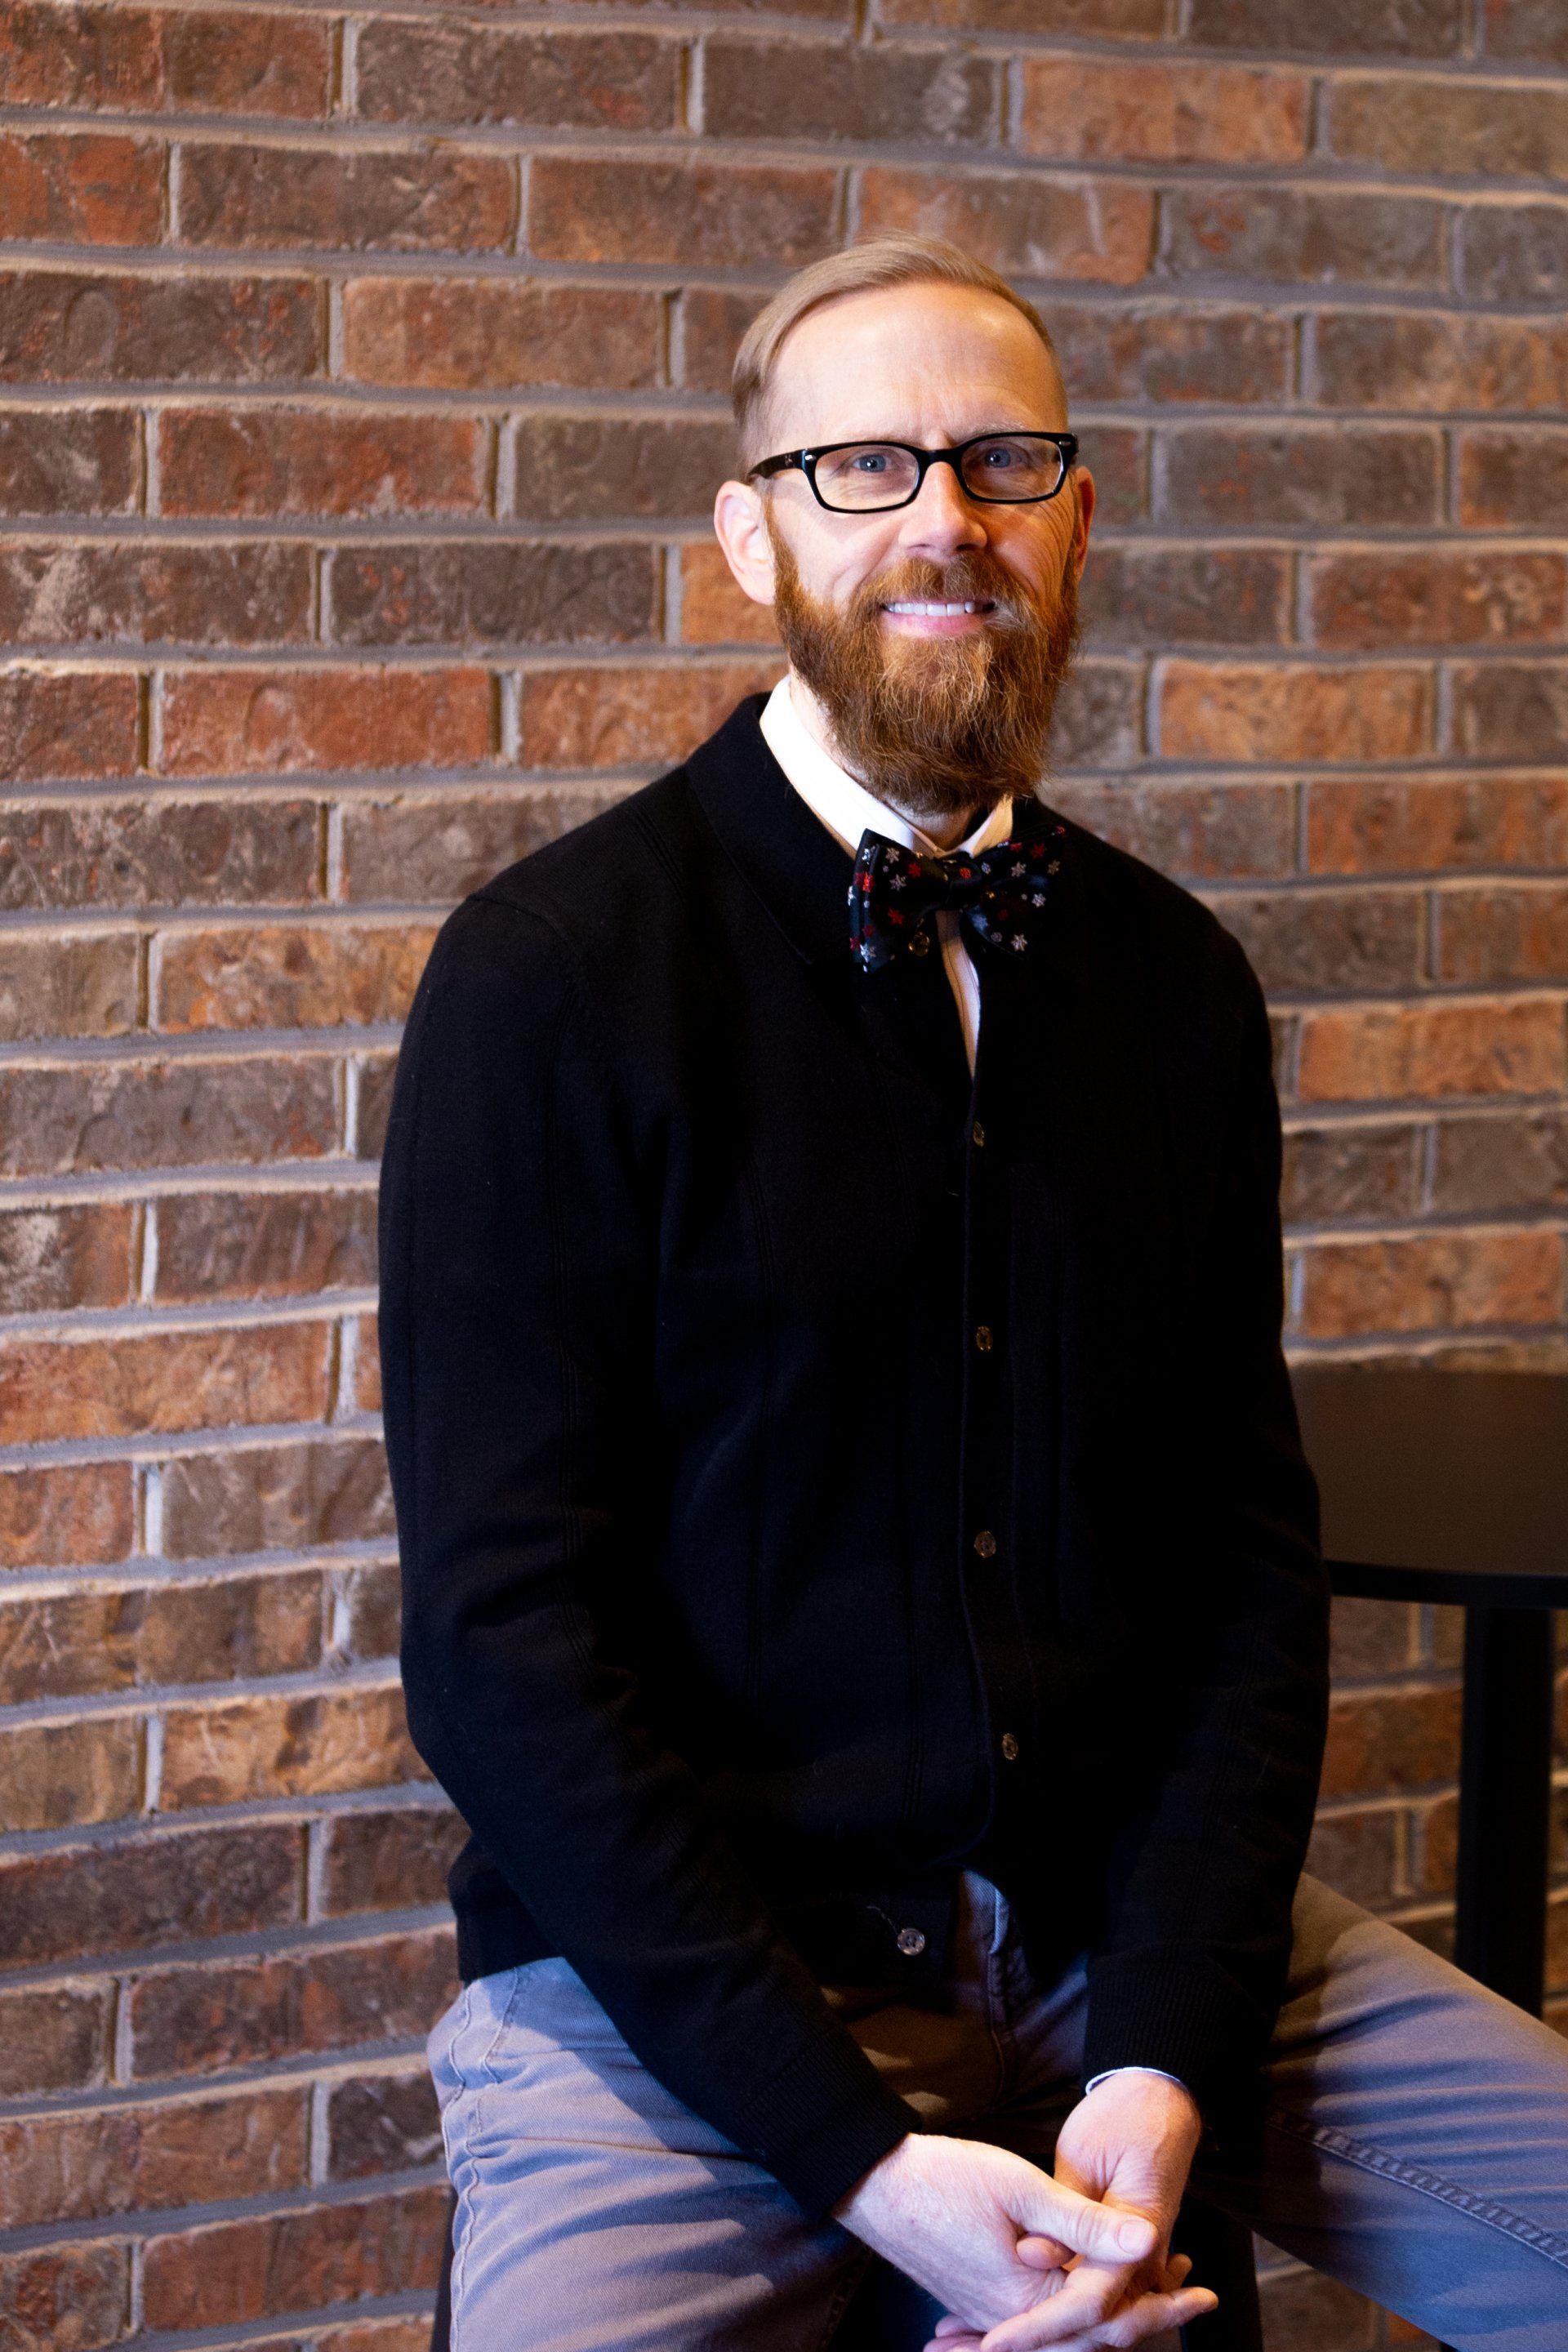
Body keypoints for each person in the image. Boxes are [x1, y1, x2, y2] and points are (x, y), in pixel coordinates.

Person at [379, 234, 1568, 2352]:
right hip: (685, 1982)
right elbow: (502, 1656)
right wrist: (862, 2165)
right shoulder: (549, 982)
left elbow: (1239, 1576)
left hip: (1129, 1947)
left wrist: (1167, 2054)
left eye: (1002, 460)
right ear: (750, 539)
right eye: (864, 467)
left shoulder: (1176, 987)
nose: (945, 516)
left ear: (1075, 521)